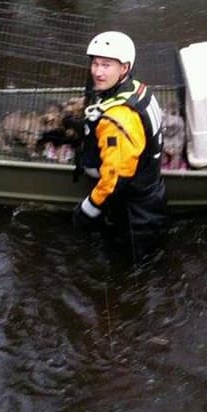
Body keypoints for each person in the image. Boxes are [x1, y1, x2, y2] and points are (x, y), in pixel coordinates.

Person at [72, 31, 167, 264]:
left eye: (106, 65)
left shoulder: (118, 118)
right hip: (151, 191)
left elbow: (115, 178)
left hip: (136, 211)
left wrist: (88, 208)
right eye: (95, 63)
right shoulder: (137, 89)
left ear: (124, 68)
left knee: (132, 267)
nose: (97, 71)